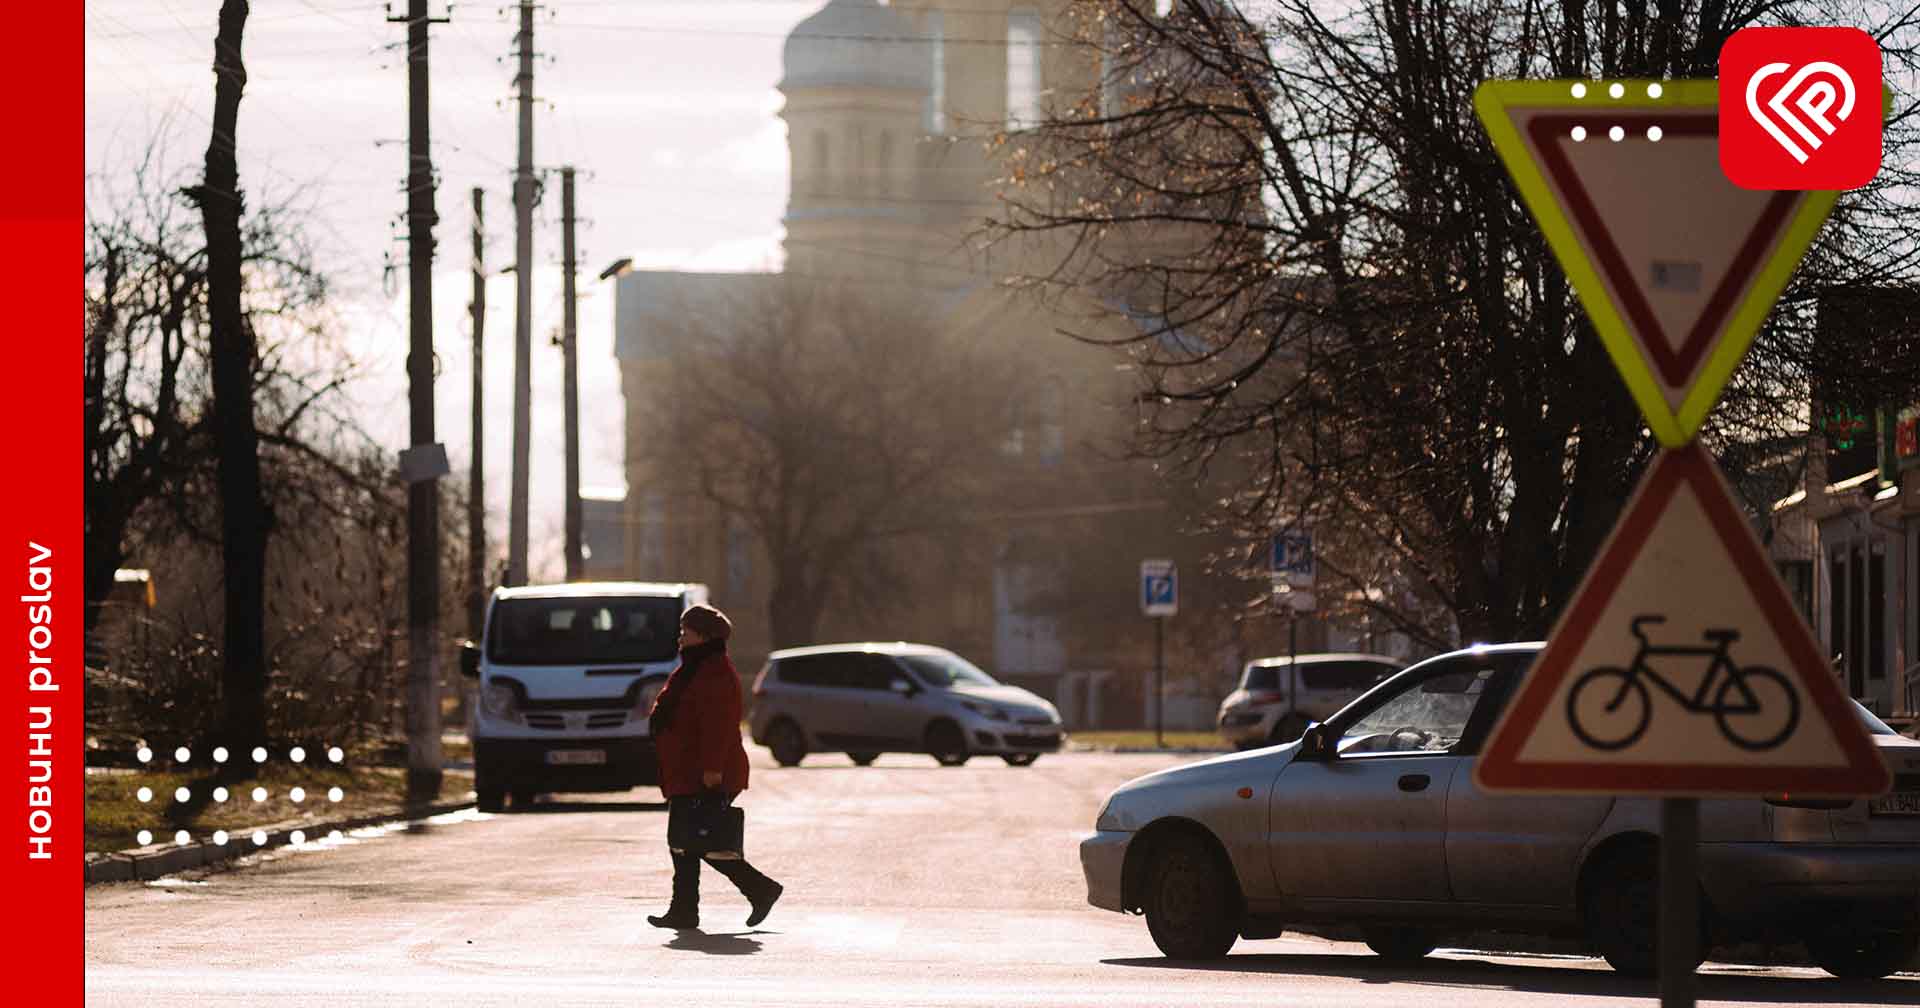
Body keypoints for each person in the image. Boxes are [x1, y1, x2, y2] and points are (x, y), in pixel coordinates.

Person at [645, 604, 783, 930]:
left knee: (699, 840)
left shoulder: (715, 671)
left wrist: (712, 769)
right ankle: (685, 910)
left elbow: (719, 725)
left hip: (707, 772)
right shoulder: (693, 667)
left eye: (686, 632)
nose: (680, 638)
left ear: (704, 636)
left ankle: (759, 890)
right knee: (685, 843)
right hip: (686, 772)